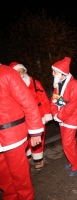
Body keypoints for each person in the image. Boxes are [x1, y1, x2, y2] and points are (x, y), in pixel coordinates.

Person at [0, 64, 44, 200]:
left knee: (20, 176)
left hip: (12, 135)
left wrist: (35, 131)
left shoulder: (7, 73)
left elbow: (28, 102)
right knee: (4, 178)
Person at [9, 62, 52, 170]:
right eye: (17, 72)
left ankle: (38, 158)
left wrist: (47, 113)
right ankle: (28, 154)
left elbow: (43, 98)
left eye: (21, 71)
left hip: (38, 114)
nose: (21, 74)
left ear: (24, 71)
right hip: (21, 116)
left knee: (38, 137)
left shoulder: (34, 82)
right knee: (25, 136)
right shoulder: (12, 86)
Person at [50, 57, 77, 176]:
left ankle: (76, 164)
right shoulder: (57, 84)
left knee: (67, 142)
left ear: (62, 72)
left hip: (72, 116)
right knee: (68, 142)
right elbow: (53, 100)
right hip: (61, 116)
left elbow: (73, 104)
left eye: (55, 71)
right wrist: (55, 113)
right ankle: (72, 160)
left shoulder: (74, 84)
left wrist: (60, 115)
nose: (53, 73)